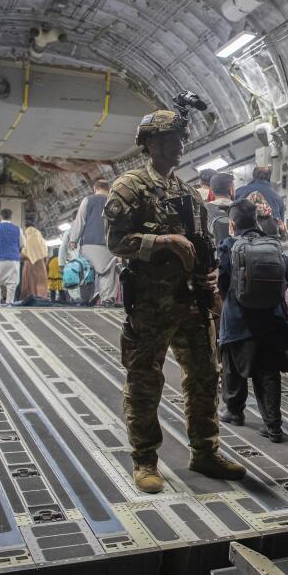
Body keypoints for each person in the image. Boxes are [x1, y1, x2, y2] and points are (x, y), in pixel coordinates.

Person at [104, 108, 246, 493]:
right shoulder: (129, 187)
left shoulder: (187, 195)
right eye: (170, 139)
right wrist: (162, 241)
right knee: (145, 380)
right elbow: (116, 242)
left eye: (181, 139)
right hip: (150, 305)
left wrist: (211, 278)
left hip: (192, 302)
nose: (179, 146)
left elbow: (202, 247)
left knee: (204, 377)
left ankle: (204, 451)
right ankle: (145, 460)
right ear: (149, 144)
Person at [216, 199, 288, 442]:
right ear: (256, 221)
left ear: (232, 224)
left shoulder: (229, 245)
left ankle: (234, 411)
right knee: (268, 374)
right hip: (272, 322)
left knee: (233, 367)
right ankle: (273, 425)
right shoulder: (273, 246)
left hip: (238, 322)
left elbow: (222, 282)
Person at [69, 178, 121, 306]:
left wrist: (73, 240)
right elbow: (120, 224)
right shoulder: (115, 202)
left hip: (88, 245)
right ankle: (107, 300)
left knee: (87, 274)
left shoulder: (88, 200)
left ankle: (85, 300)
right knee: (107, 274)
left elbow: (80, 221)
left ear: (95, 189)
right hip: (108, 244)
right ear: (109, 189)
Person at [0, 208, 25, 304]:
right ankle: (9, 302)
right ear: (11, 217)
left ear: (1, 217)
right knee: (11, 284)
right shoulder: (18, 229)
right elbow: (22, 244)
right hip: (13, 260)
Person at [20, 227, 49, 300]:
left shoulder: (29, 240)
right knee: (41, 283)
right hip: (41, 265)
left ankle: (31, 299)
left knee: (30, 284)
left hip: (29, 265)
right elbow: (46, 255)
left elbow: (23, 254)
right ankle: (42, 298)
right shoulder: (42, 240)